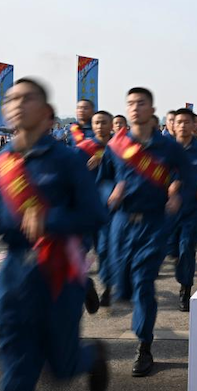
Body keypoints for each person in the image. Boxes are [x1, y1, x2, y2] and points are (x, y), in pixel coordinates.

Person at [0, 78, 109, 391]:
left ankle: (91, 355)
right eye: (11, 98)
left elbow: (95, 214)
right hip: (14, 281)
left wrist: (51, 218)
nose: (16, 104)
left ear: (46, 114)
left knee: (61, 368)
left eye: (26, 98)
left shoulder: (67, 160)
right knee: (14, 379)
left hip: (58, 275)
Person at [98, 87, 193, 377]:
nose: (135, 107)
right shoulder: (116, 146)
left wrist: (178, 193)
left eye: (141, 103)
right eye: (130, 103)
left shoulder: (168, 147)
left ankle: (144, 345)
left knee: (143, 282)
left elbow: (189, 176)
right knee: (121, 283)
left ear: (151, 109)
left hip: (154, 222)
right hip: (122, 223)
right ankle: (130, 305)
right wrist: (110, 191)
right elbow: (102, 180)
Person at [168, 108, 197, 310]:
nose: (183, 126)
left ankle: (185, 288)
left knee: (187, 246)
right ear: (172, 125)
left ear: (195, 125)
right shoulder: (164, 150)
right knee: (173, 250)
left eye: (187, 122)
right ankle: (181, 271)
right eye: (179, 122)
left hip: (194, 209)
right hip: (168, 210)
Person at [75, 111, 115, 307]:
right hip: (84, 208)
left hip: (108, 209)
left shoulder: (119, 148)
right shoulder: (83, 149)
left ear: (111, 126)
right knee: (80, 249)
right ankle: (83, 285)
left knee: (105, 250)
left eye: (104, 122)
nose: (100, 126)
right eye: (96, 123)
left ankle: (107, 287)